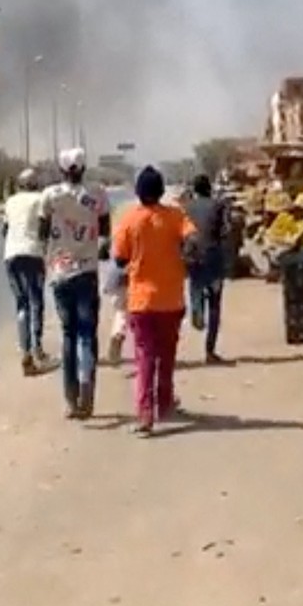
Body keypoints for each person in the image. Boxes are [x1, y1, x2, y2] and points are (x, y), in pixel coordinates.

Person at [113, 165, 193, 436]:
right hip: (171, 298)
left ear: (138, 192)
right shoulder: (175, 216)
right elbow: (192, 239)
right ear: (160, 191)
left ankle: (146, 414)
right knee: (167, 354)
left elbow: (119, 258)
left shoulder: (129, 220)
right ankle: (165, 402)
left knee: (145, 358)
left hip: (141, 302)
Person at [39, 148, 110, 420]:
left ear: (61, 170)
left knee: (68, 334)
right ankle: (87, 389)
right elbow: (105, 234)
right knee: (86, 334)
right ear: (83, 169)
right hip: (87, 272)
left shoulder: (50, 196)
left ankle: (70, 399)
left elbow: (42, 234)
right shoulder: (97, 194)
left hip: (60, 273)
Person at [2, 166, 47, 376]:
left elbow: (5, 230)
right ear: (36, 184)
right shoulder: (40, 199)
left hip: (11, 255)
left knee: (21, 303)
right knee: (36, 300)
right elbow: (45, 227)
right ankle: (37, 348)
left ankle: (25, 354)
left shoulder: (10, 201)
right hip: (33, 253)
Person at [185, 173, 231, 363]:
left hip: (193, 257)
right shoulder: (218, 205)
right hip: (214, 258)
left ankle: (196, 311)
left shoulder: (186, 208)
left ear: (194, 190)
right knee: (215, 304)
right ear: (209, 188)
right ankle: (210, 350)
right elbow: (226, 230)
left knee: (196, 289)